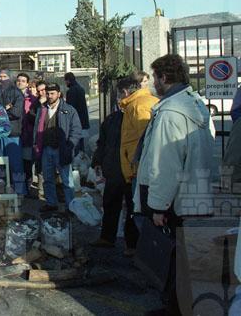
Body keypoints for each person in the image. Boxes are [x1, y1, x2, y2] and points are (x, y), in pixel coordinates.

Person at [134, 55, 216, 316]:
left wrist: (158, 206)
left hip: (175, 199)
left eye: (154, 78)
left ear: (164, 77)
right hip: (194, 193)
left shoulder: (170, 113)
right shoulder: (194, 103)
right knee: (183, 258)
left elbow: (165, 164)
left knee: (172, 258)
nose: (153, 83)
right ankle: (179, 306)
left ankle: (176, 309)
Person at [91, 78, 138, 255]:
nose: (119, 99)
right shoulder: (112, 119)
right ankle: (107, 237)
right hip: (113, 170)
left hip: (131, 171)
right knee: (110, 204)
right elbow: (102, 143)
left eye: (120, 94)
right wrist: (97, 161)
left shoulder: (138, 115)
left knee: (132, 208)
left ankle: (132, 244)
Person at [33, 83, 82, 212]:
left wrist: (69, 146)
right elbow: (37, 128)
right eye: (48, 93)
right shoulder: (42, 109)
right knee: (47, 179)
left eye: (52, 93)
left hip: (62, 149)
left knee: (67, 181)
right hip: (46, 149)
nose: (49, 96)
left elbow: (76, 130)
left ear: (59, 94)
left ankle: (70, 207)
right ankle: (51, 203)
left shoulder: (69, 110)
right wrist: (36, 144)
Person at [119, 70, 158, 202]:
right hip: (142, 165)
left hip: (141, 167)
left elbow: (146, 137)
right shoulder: (145, 101)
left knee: (141, 206)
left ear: (125, 92)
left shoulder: (137, 106)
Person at [0, 73, 27, 196]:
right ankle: (5, 193)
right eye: (0, 77)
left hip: (13, 133)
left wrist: (3, 111)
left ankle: (20, 192)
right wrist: (6, 108)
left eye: (4, 76)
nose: (1, 79)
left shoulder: (17, 93)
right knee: (1, 165)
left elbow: (16, 112)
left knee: (16, 165)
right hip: (0, 133)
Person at [17, 74, 39, 191]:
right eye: (18, 80)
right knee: (16, 162)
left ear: (27, 84)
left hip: (27, 135)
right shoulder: (10, 96)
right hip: (15, 134)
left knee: (27, 162)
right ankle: (18, 186)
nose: (20, 82)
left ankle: (27, 187)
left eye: (23, 81)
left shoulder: (32, 100)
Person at [63, 72, 90, 153]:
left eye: (65, 81)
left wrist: (63, 113)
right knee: (81, 143)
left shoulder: (71, 91)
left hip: (75, 121)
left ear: (68, 80)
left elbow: (70, 108)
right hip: (83, 120)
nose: (65, 83)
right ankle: (82, 157)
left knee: (75, 144)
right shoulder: (80, 88)